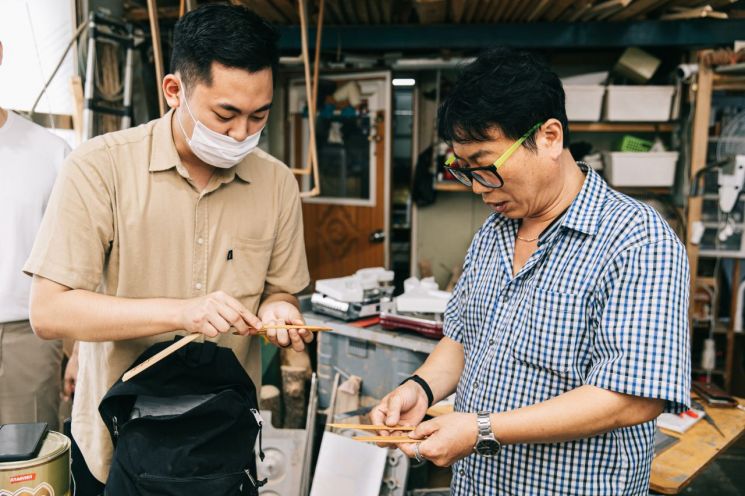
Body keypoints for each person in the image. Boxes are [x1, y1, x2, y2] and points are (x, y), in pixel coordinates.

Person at [371, 47, 690, 496]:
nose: (480, 189)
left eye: (487, 168)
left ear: (550, 137)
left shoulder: (637, 240)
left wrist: (481, 429)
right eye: (466, 172)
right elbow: (463, 339)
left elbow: (631, 398)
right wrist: (420, 390)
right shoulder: (494, 232)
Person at [24, 5, 310, 493]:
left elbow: (280, 290)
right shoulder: (100, 168)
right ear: (174, 90)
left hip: (221, 438)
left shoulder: (277, 183)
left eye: (258, 116)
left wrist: (281, 308)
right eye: (226, 114)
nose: (242, 134)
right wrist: (183, 313)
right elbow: (49, 312)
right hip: (117, 436)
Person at [0, 39, 71, 431]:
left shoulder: (51, 153)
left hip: (26, 337)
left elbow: (80, 264)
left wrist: (79, 352)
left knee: (26, 474)